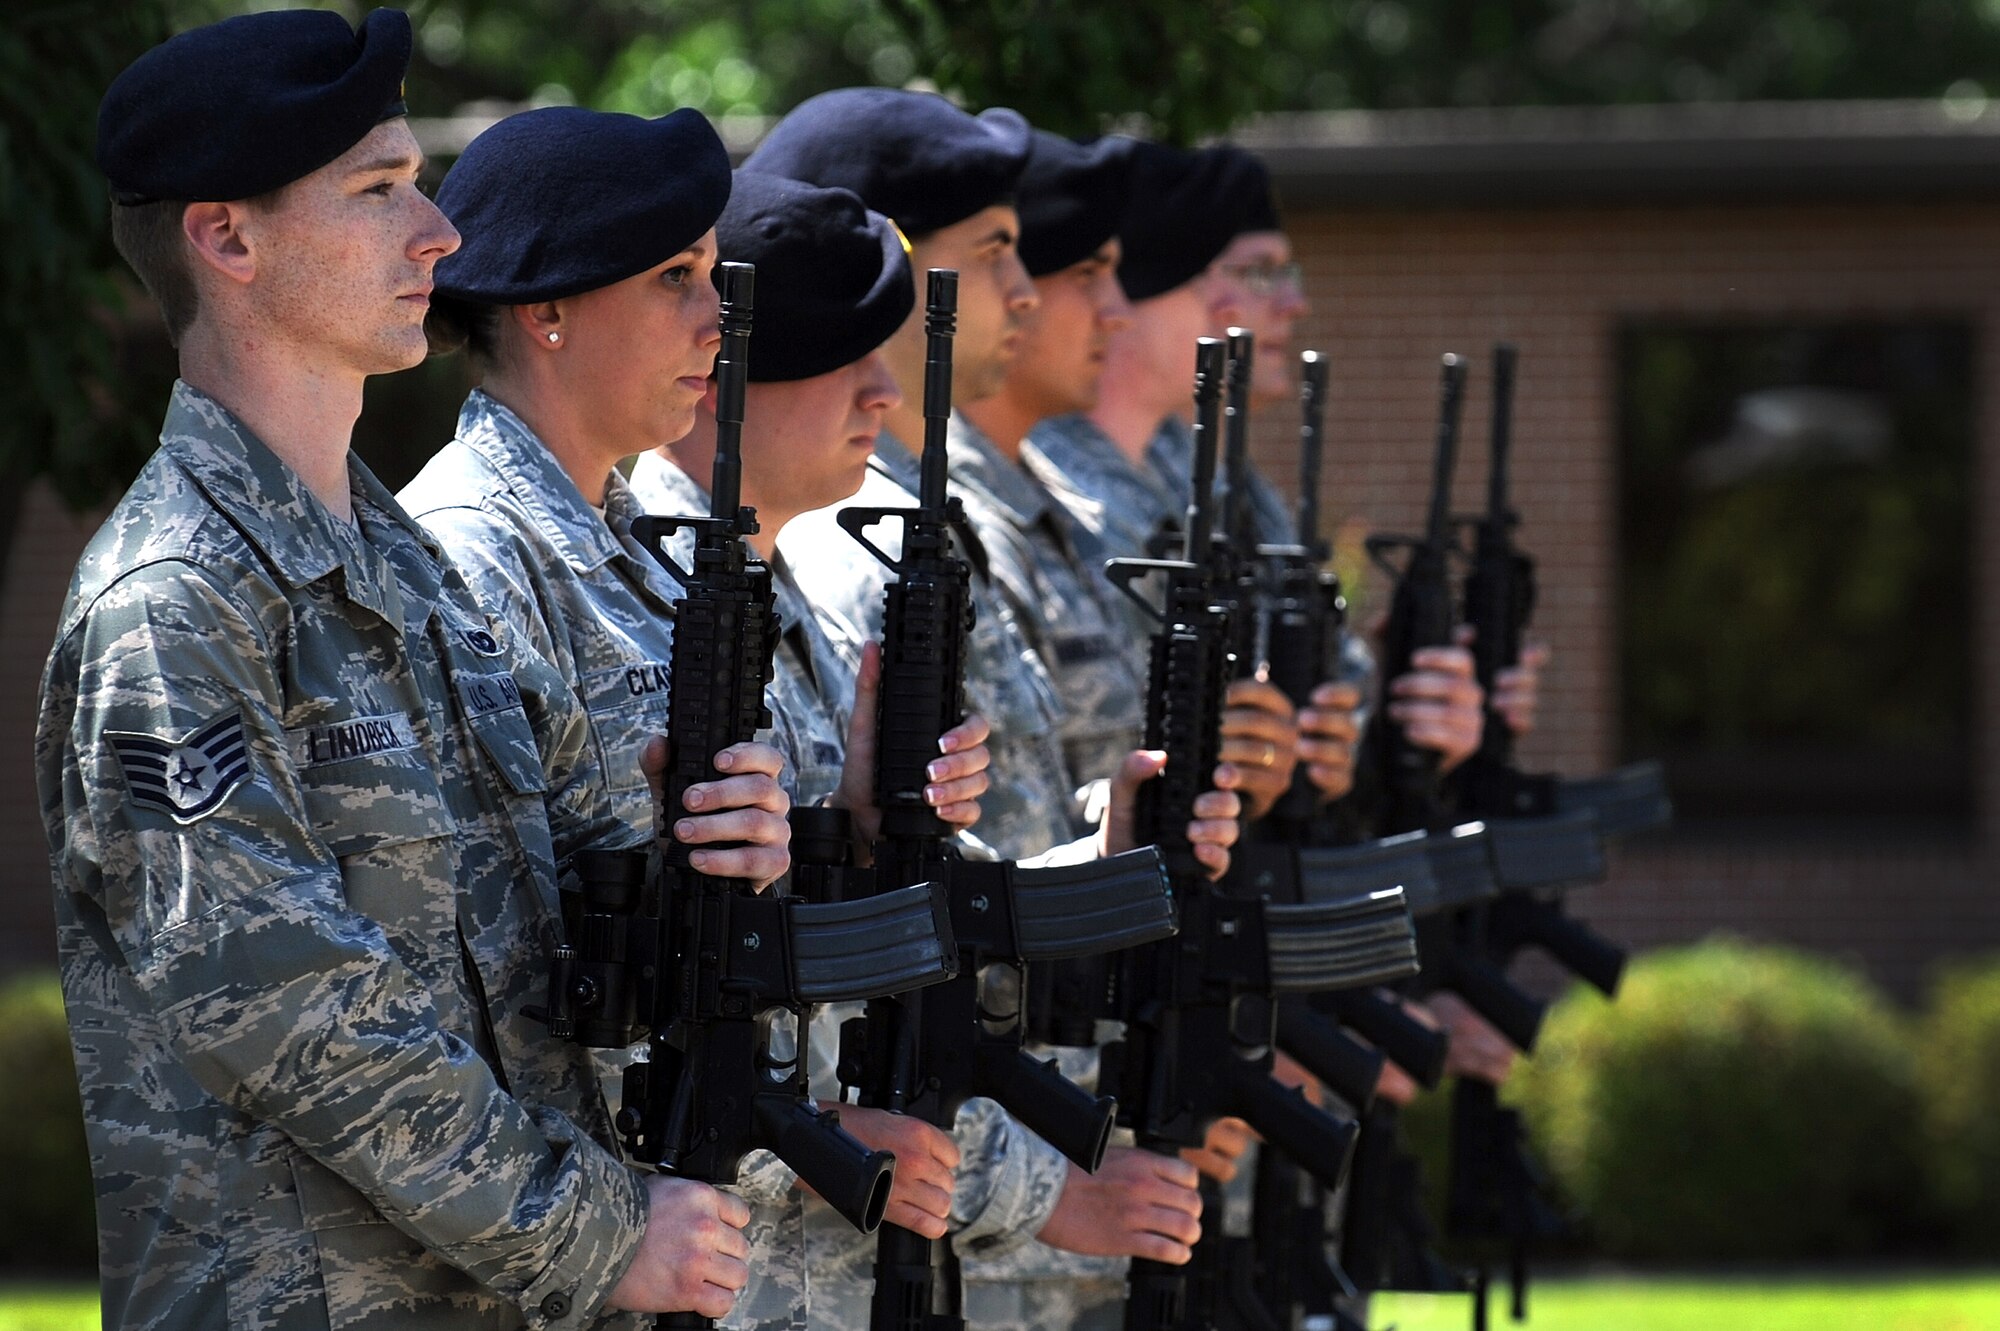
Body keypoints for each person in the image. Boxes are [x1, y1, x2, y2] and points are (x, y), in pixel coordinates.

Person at [42, 12, 781, 1326]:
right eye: (382, 191)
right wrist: (602, 1232)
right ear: (228, 237)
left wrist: (695, 851)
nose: (439, 234)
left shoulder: (410, 574)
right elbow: (304, 1025)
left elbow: (534, 946)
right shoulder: (174, 606)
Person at [398, 116, 991, 1331]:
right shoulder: (465, 556)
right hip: (574, 1256)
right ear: (549, 310)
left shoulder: (647, 562)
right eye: (674, 280)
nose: (715, 321)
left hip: (694, 1236)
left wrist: (851, 830)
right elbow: (470, 970)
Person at [632, 167, 1229, 1331]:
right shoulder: (665, 591)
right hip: (748, 1258)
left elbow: (881, 923)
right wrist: (1037, 1184)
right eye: (844, 353)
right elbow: (675, 990)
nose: (878, 392)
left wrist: (1106, 852)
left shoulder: (782, 582)